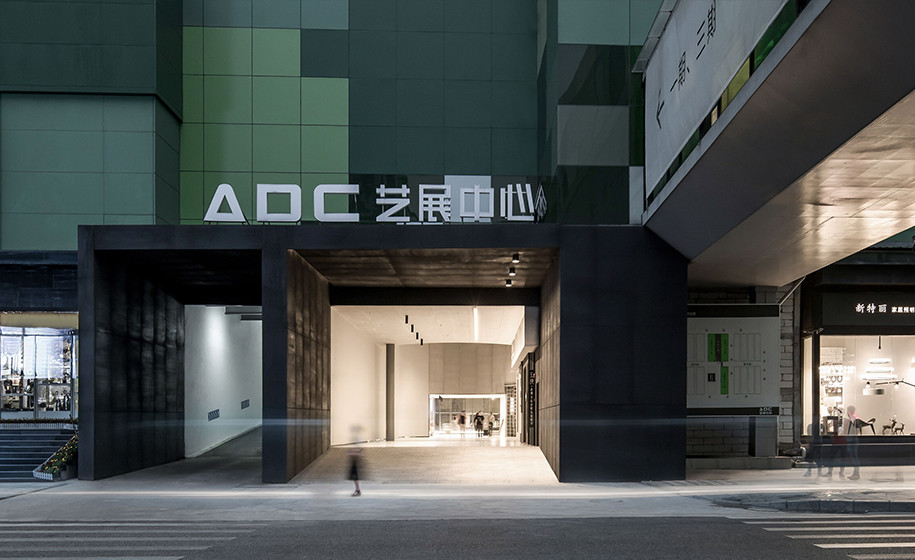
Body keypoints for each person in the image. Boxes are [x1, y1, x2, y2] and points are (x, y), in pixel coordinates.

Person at [845, 405, 862, 480]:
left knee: (854, 457)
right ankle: (855, 473)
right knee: (854, 457)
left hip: (852, 439)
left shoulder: (854, 419)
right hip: (852, 439)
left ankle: (856, 473)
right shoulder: (853, 418)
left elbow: (855, 430)